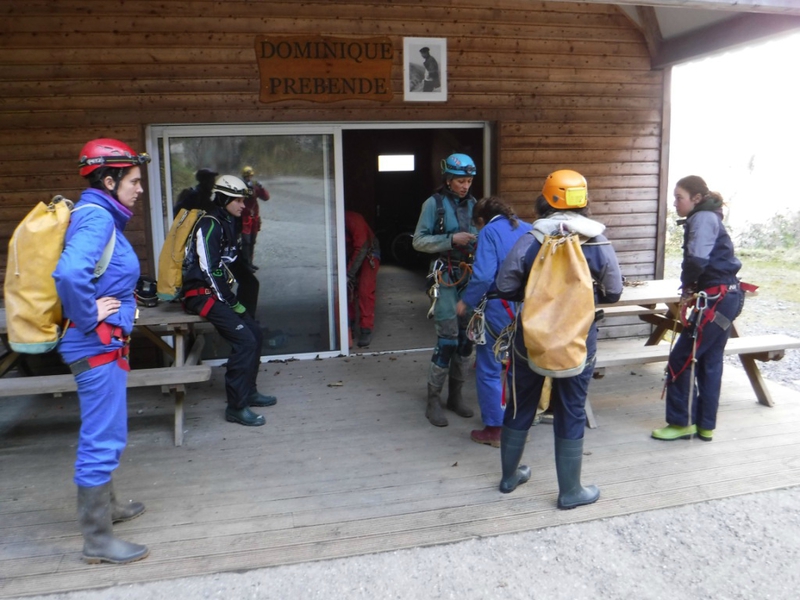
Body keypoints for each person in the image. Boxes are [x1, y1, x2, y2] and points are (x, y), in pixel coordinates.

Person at [494, 169, 623, 508]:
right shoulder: (599, 241)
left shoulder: (530, 239)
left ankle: (510, 477)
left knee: (521, 404)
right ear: (584, 202)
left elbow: (505, 286)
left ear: (545, 200)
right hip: (579, 340)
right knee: (571, 409)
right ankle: (570, 491)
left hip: (531, 338)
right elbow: (613, 292)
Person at [53, 138, 152, 564]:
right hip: (96, 345)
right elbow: (71, 273)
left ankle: (109, 508)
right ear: (109, 180)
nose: (140, 188)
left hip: (105, 344)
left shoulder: (102, 216)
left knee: (106, 429)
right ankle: (97, 540)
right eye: (133, 180)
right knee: (102, 436)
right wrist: (90, 315)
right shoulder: (96, 219)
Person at [652, 176, 746, 442]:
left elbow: (697, 259)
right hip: (726, 298)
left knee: (681, 359)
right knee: (709, 361)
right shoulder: (709, 216)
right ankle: (705, 425)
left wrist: (688, 287)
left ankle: (681, 422)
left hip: (717, 300)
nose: (674, 203)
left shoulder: (703, 218)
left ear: (696, 198)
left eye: (678, 197)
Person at [181, 174, 278, 427]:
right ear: (223, 198)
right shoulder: (210, 223)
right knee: (245, 341)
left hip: (217, 294)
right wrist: (230, 300)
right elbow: (209, 268)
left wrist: (243, 286)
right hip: (200, 296)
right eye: (237, 200)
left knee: (255, 332)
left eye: (243, 201)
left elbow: (231, 262)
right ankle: (236, 407)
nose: (243, 205)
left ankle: (249, 391)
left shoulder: (227, 221)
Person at [456, 197, 533, 447]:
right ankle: (521, 421)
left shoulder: (489, 231)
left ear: (481, 220)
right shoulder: (528, 228)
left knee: (489, 367)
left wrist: (466, 301)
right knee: (520, 365)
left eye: (477, 225)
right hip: (529, 307)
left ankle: (494, 429)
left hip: (500, 306)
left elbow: (483, 276)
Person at [412, 153, 478, 427]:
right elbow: (419, 241)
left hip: (469, 276)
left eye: (469, 181)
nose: (465, 186)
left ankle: (456, 396)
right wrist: (451, 239)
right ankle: (433, 401)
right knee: (448, 340)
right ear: (448, 180)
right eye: (460, 181)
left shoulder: (475, 205)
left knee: (466, 340)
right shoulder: (433, 204)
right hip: (445, 276)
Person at [345, 210, 381, 348]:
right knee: (345, 291)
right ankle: (349, 325)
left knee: (365, 291)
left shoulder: (354, 219)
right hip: (348, 253)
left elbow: (361, 248)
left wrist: (349, 275)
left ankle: (366, 329)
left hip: (369, 253)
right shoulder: (333, 222)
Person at [241, 165, 270, 272]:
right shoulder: (239, 187)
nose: (249, 178)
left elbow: (266, 198)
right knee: (246, 242)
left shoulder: (254, 186)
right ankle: (244, 264)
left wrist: (261, 188)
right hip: (244, 218)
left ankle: (250, 262)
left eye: (250, 176)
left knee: (252, 241)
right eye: (247, 176)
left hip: (254, 218)